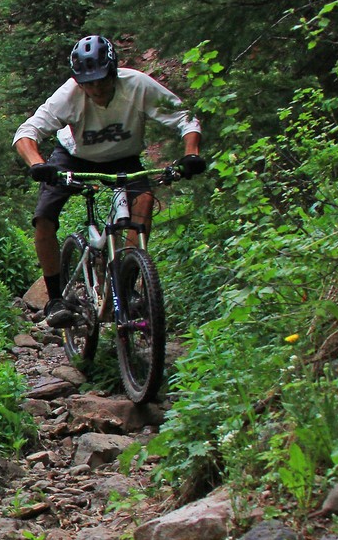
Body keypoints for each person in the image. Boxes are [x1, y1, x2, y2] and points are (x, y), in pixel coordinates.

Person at [13, 34, 206, 326]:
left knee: (144, 199)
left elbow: (184, 117)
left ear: (114, 72)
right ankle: (54, 300)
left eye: (102, 79)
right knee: (44, 216)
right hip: (73, 156)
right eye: (88, 82)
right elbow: (27, 133)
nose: (96, 88)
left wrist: (191, 153)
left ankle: (126, 280)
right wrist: (38, 164)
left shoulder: (137, 85)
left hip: (123, 157)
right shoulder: (69, 94)